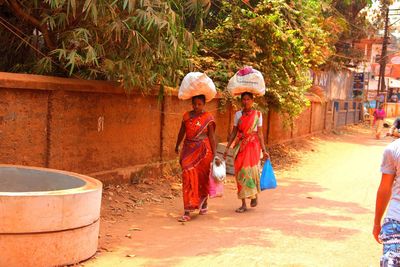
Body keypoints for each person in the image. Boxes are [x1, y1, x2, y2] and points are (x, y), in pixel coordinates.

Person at [223, 92, 269, 213]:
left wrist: (264, 150)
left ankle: (254, 195)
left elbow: (260, 133)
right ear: (241, 101)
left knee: (252, 171)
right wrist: (227, 147)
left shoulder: (258, 115)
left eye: (248, 99)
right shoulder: (238, 115)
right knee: (240, 172)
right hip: (241, 146)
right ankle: (243, 203)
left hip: (253, 146)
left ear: (252, 101)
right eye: (243, 99)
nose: (246, 101)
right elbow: (234, 132)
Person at [175, 94, 217, 222]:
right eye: (194, 104)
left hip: (205, 152)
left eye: (199, 104)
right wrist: (177, 145)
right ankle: (187, 210)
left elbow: (212, 137)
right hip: (188, 149)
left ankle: (203, 202)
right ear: (192, 104)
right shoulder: (186, 116)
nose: (196, 106)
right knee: (187, 175)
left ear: (204, 104)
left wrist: (215, 155)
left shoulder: (208, 118)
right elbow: (181, 132)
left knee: (203, 178)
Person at [373, 138, 400, 266]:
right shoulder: (393, 149)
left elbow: (385, 188)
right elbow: (384, 189)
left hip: (395, 221)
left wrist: (377, 223)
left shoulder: (394, 148)